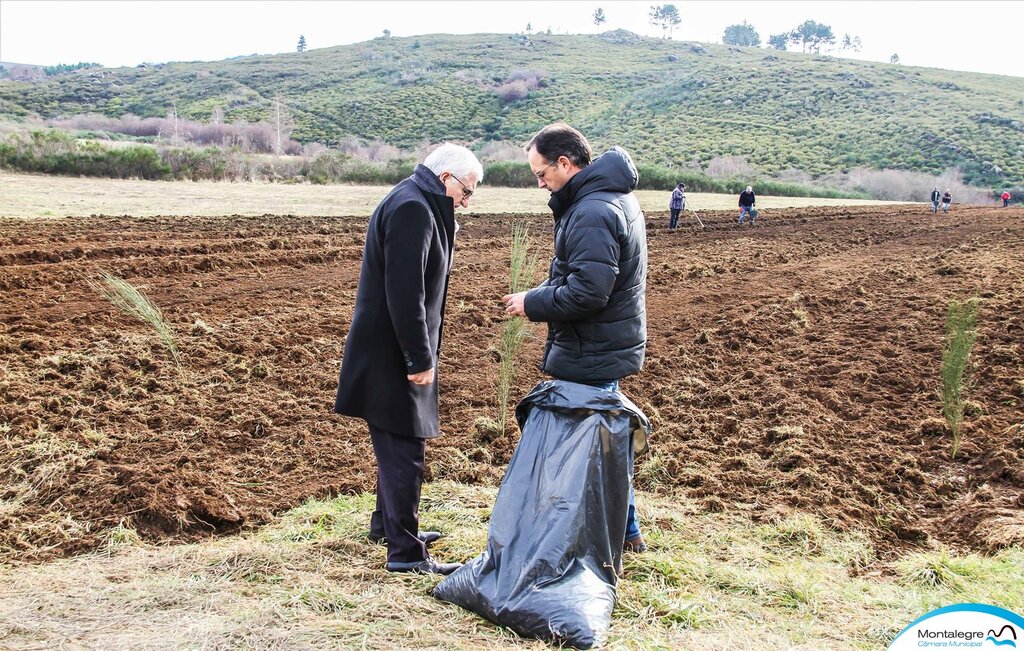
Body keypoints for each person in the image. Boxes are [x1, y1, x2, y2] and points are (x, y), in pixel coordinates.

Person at [334, 143, 483, 575]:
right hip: (393, 353)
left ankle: (388, 525)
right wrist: (418, 357)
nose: (467, 201)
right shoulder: (413, 209)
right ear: (445, 179)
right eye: (467, 191)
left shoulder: (414, 199)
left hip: (390, 349)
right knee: (405, 448)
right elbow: (406, 293)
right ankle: (405, 552)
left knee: (396, 444)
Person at [502, 122, 649, 553]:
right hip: (603, 344)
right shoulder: (612, 199)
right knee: (605, 443)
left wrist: (533, 302)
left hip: (592, 348)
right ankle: (627, 533)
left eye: (541, 173)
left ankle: (585, 540)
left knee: (589, 449)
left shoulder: (592, 211)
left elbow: (588, 291)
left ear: (564, 163)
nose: (540, 182)